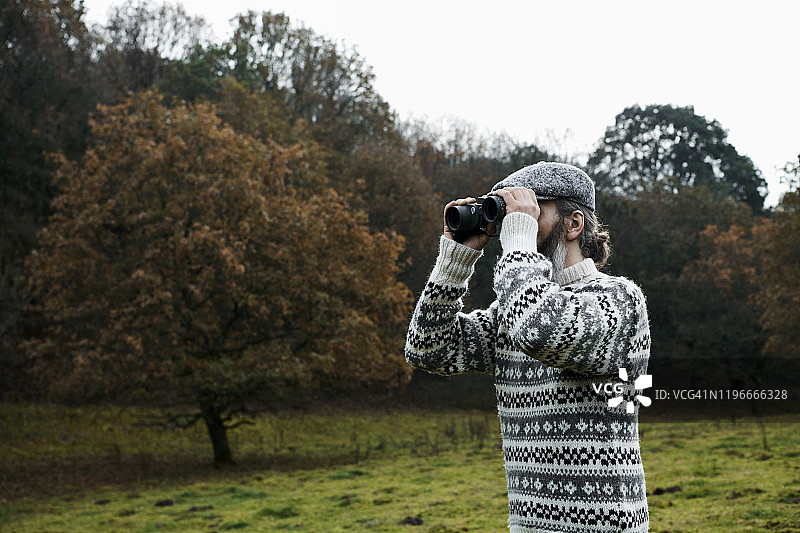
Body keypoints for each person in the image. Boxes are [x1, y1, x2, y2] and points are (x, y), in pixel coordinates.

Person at [405, 162, 651, 533]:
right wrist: (455, 261)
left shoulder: (619, 299)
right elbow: (427, 349)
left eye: (532, 212)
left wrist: (519, 244)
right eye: (511, 216)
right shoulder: (512, 312)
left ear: (573, 224)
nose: (516, 227)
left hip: (605, 526)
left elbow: (542, 331)